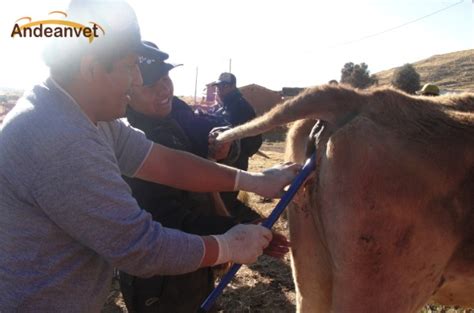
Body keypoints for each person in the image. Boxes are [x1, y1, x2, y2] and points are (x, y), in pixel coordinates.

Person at [0, 1, 300, 312]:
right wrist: (227, 246)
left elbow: (164, 162)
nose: (137, 81)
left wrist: (255, 181)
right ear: (91, 68)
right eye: (131, 67)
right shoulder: (60, 140)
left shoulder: (84, 114)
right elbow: (140, 248)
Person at [120, 41, 290, 313]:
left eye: (165, 78)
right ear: (127, 89)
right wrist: (232, 234)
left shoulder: (175, 110)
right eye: (150, 85)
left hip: (197, 261)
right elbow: (168, 218)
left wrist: (224, 147)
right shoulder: (131, 139)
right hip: (161, 279)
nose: (164, 88)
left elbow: (208, 166)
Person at [209, 72, 263, 221]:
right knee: (220, 198)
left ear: (233, 86)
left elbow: (254, 137)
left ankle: (250, 224)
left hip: (234, 161)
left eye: (224, 86)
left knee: (226, 199)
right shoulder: (225, 105)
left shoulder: (241, 107)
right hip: (223, 160)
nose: (220, 89)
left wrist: (239, 153)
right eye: (218, 86)